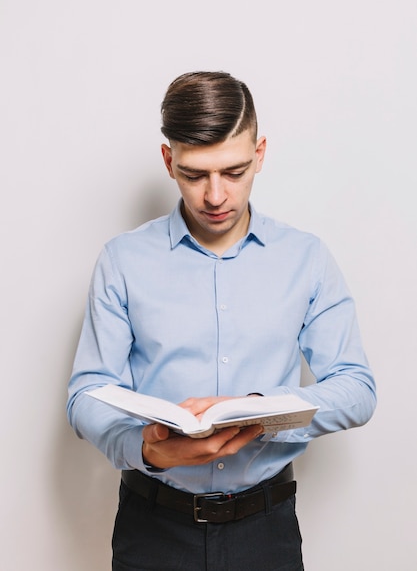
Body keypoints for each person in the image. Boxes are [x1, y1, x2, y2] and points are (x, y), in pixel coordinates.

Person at [67, 71, 376, 571]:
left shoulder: (307, 259)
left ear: (260, 154)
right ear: (169, 161)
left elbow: (357, 388)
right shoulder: (122, 261)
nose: (215, 196)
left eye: (233, 172)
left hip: (266, 532)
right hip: (152, 531)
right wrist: (148, 453)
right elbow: (86, 393)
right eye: (194, 174)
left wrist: (263, 413)